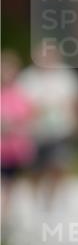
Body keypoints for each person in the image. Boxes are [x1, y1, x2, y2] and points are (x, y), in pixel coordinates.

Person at [18, 41, 78, 209]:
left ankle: (51, 198)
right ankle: (36, 197)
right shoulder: (27, 78)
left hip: (61, 130)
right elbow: (18, 104)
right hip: (35, 131)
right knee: (36, 169)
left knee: (58, 164)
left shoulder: (67, 76)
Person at [0, 50, 35, 229]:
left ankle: (11, 216)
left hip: (16, 148)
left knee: (12, 184)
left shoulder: (20, 93)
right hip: (2, 148)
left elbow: (27, 116)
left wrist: (11, 125)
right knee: (6, 184)